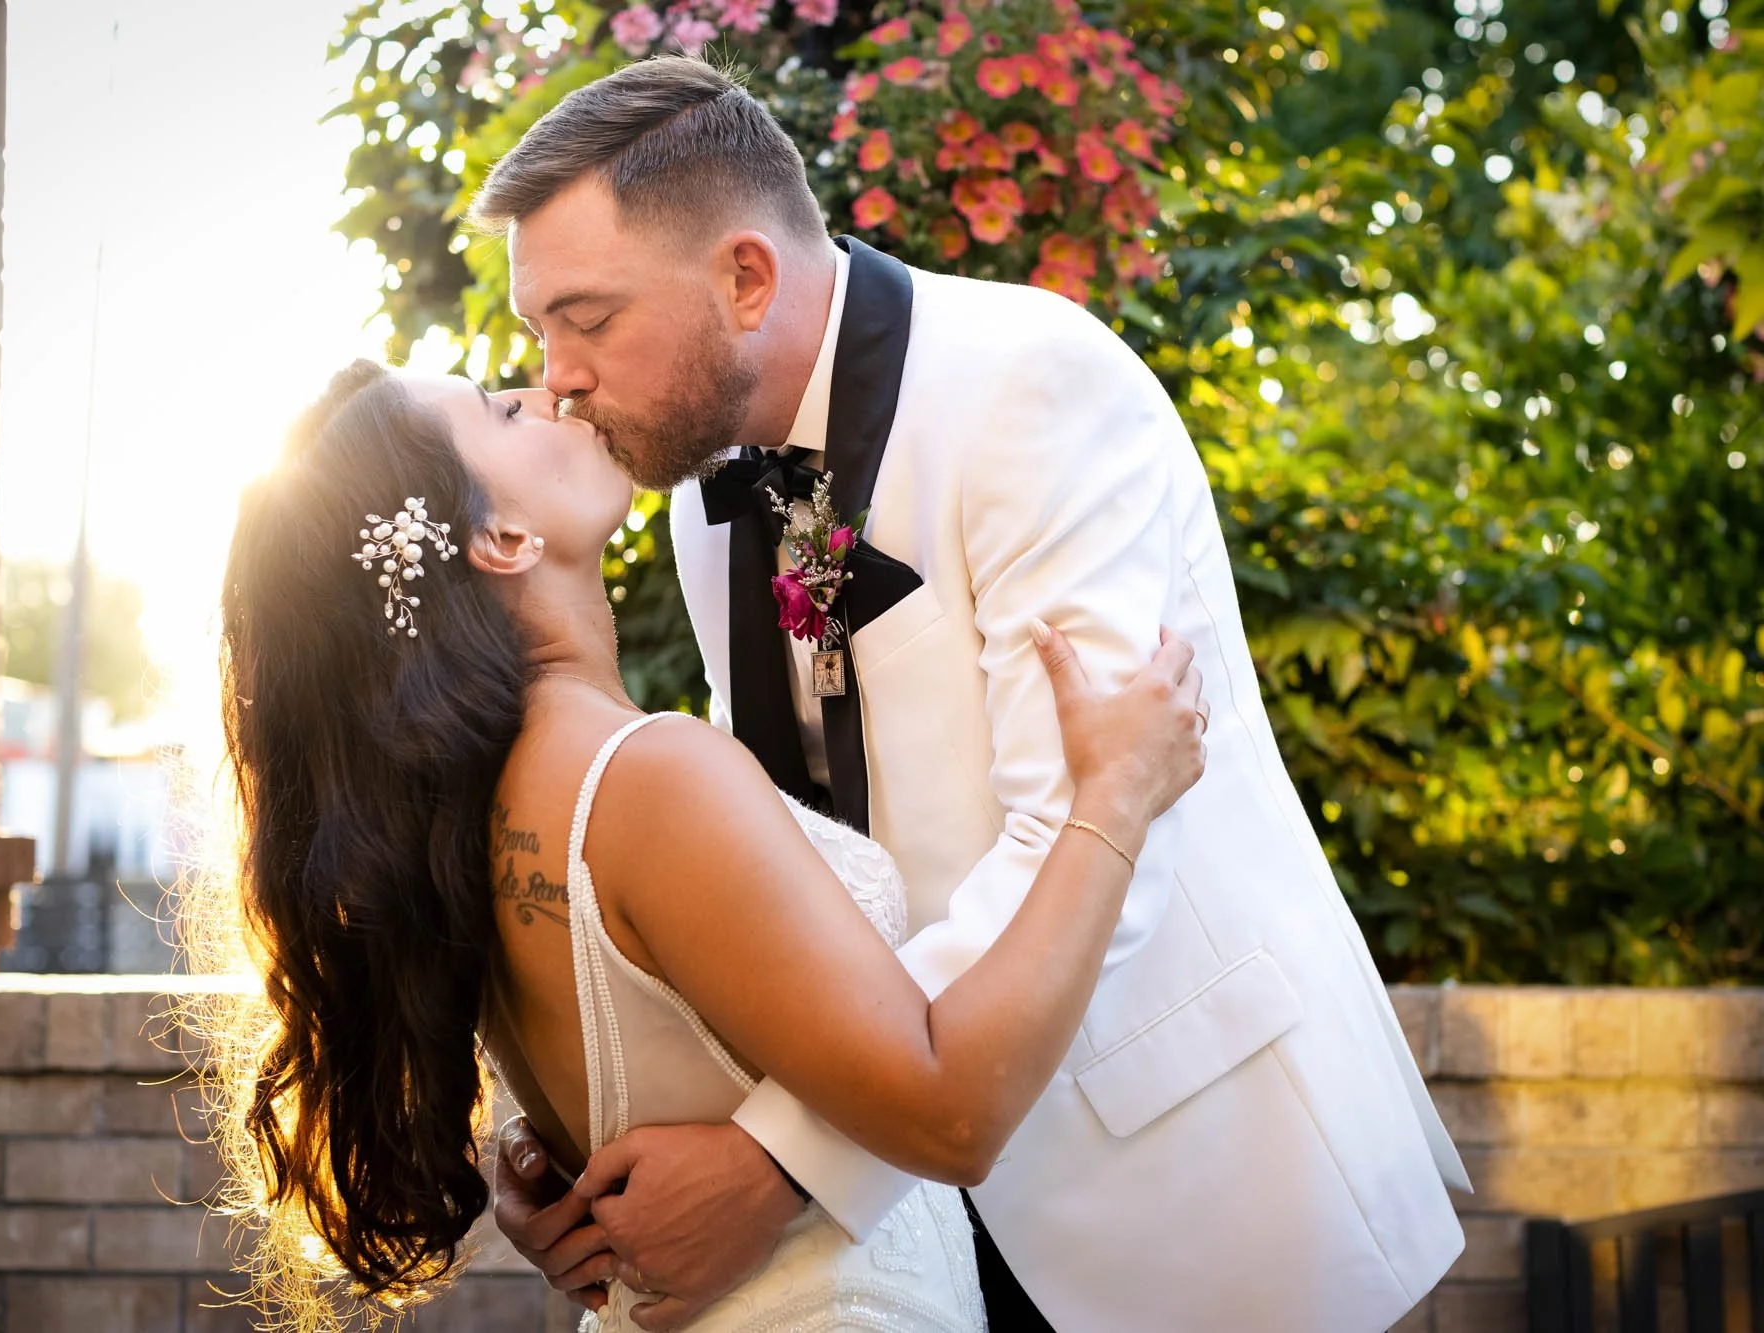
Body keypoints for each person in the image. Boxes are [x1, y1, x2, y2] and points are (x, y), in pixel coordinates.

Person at [474, 56, 1469, 1333]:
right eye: (535, 332)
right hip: (916, 1234)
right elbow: (778, 875)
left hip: (1170, 1188)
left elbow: (1088, 831)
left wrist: (782, 1164)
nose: (554, 374)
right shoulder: (702, 508)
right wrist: (570, 1129)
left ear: (743, 277)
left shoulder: (1031, 383)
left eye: (586, 318)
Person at [213, 358, 1210, 1330]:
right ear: (505, 537)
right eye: (502, 411)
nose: (547, 387)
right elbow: (950, 1113)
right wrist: (1116, 795)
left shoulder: (467, 804)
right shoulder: (648, 775)